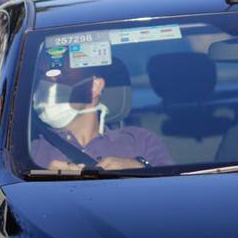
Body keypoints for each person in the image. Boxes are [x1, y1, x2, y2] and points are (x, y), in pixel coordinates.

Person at [30, 59, 171, 170]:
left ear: (94, 87)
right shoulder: (26, 147)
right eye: (41, 78)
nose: (47, 85)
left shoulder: (140, 141)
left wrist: (140, 168)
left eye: (62, 75)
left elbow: (172, 193)